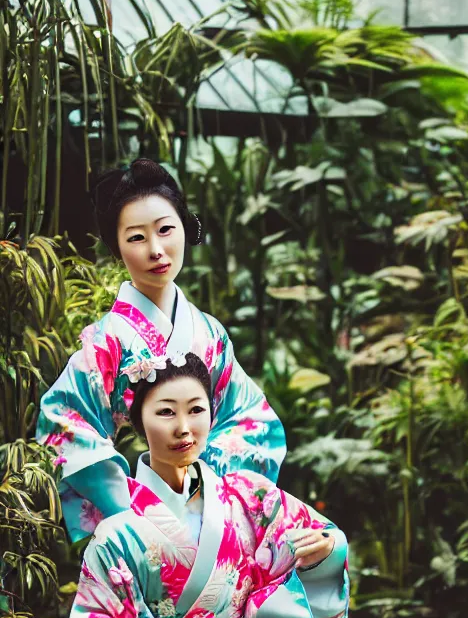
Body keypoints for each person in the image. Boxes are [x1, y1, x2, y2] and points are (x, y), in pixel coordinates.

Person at [65, 353, 348, 618]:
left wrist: (324, 553)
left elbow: (316, 541)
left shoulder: (248, 497)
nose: (184, 428)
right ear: (138, 422)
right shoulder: (117, 532)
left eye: (196, 410)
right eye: (166, 412)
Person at [37, 160, 286, 542]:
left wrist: (207, 494)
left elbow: (250, 419)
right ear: (117, 248)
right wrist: (130, 510)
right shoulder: (107, 341)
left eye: (166, 229)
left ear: (185, 228)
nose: (156, 250)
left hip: (210, 513)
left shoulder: (210, 334)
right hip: (138, 520)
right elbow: (65, 423)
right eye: (136, 238)